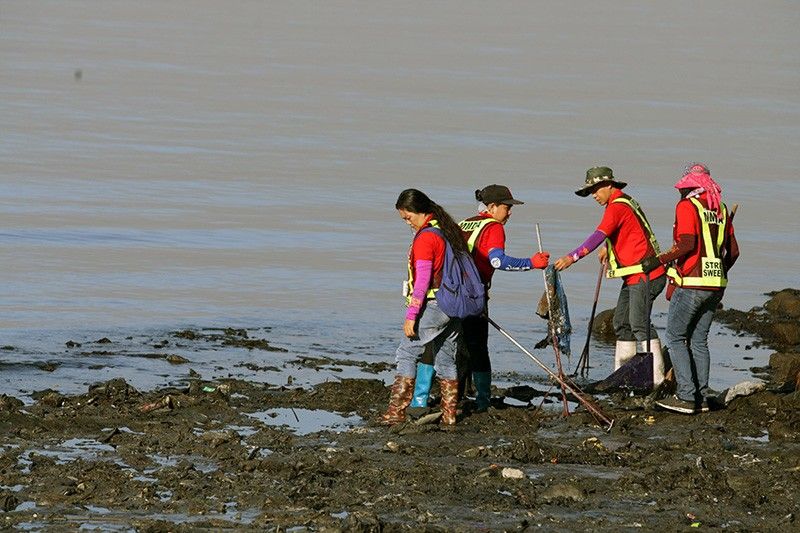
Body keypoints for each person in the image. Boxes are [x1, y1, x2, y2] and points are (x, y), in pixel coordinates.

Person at [410, 184, 550, 412]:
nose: (510, 212)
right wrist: (531, 263)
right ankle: (483, 401)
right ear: (492, 207)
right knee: (477, 347)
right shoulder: (494, 227)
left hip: (446, 295)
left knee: (437, 344)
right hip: (472, 297)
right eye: (507, 207)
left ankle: (420, 401)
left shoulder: (464, 223)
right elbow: (497, 261)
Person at [554, 167, 667, 388]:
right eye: (590, 192)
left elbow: (598, 235)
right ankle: (623, 376)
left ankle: (657, 380)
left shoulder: (616, 206)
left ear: (608, 185)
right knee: (621, 323)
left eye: (595, 190)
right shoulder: (624, 202)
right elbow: (629, 230)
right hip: (635, 275)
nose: (594, 195)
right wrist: (610, 247)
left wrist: (572, 257)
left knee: (639, 324)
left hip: (646, 274)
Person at [646, 164, 739, 414]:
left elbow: (686, 244)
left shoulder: (687, 206)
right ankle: (702, 396)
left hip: (691, 285)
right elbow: (734, 252)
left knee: (675, 338)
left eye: (682, 188)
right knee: (699, 340)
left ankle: (686, 397)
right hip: (716, 286)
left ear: (689, 187)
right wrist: (720, 271)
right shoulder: (720, 209)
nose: (680, 192)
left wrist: (656, 261)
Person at [381, 189, 465, 426]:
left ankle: (396, 412)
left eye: (408, 218)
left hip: (435, 304)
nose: (407, 223)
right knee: (447, 358)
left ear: (419, 212)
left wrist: (411, 316)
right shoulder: (447, 231)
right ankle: (449, 416)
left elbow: (422, 281)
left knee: (407, 352)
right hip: (454, 304)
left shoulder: (427, 237)